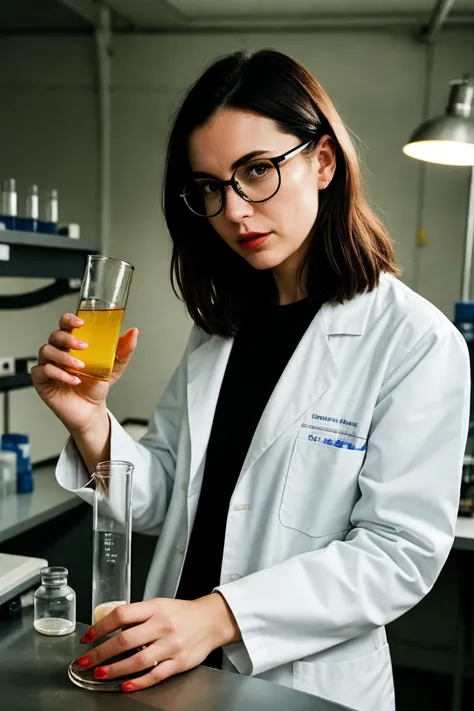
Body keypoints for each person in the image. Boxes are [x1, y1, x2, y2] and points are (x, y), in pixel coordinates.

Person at [32, 49, 469, 711]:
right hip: (173, 670)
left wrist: (218, 614)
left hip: (300, 688)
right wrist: (89, 418)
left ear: (322, 162)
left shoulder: (413, 341)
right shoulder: (220, 328)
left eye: (256, 171)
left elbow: (397, 554)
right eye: (210, 186)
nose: (233, 210)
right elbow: (163, 498)